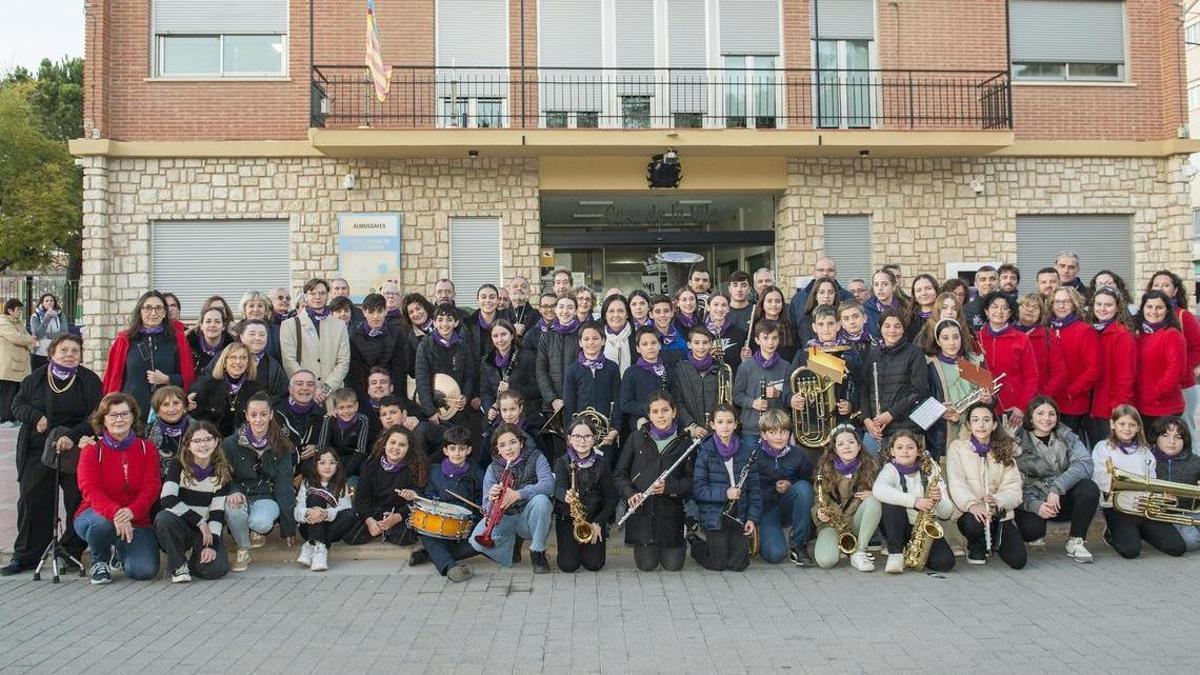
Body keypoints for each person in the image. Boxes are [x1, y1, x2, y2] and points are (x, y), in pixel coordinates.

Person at [2, 334, 102, 576]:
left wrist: (74, 436)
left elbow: (95, 415)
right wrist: (35, 417)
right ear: (52, 353)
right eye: (64, 350)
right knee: (32, 499)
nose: (69, 354)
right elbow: (16, 404)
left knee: (76, 500)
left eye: (75, 350)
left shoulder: (89, 380)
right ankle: (26, 555)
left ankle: (71, 550)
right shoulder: (34, 378)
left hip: (75, 445)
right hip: (38, 448)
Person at [73, 392, 162, 584]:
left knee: (144, 571)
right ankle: (100, 560)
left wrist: (130, 512)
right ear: (103, 419)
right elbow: (89, 489)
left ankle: (120, 551)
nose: (119, 419)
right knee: (102, 524)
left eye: (124, 414)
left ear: (133, 417)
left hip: (136, 518)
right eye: (113, 415)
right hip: (95, 515)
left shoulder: (147, 449)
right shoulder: (92, 450)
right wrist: (116, 513)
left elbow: (152, 487)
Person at [613, 391, 694, 572]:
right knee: (646, 565)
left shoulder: (685, 442)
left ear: (674, 412)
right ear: (648, 415)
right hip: (642, 513)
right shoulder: (636, 438)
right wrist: (630, 494)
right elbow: (619, 474)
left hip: (671, 513)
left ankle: (685, 535)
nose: (660, 415)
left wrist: (670, 487)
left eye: (665, 410)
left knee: (672, 566)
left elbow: (691, 482)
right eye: (655, 411)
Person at [1012, 396, 1098, 563]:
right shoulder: (1017, 441)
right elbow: (1012, 484)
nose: (1046, 418)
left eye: (1052, 414)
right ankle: (1034, 533)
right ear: (1030, 416)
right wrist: (1035, 505)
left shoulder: (1065, 435)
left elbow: (1085, 464)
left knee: (1089, 488)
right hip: (1033, 500)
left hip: (1060, 498)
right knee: (1032, 532)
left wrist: (1057, 487)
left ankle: (1076, 540)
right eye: (1040, 413)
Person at [1092, 405, 1185, 558]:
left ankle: (1137, 531)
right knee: (1130, 552)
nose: (1127, 429)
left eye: (1132, 425)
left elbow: (1152, 482)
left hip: (1143, 507)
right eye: (1122, 424)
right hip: (1118, 507)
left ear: (1138, 427)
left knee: (1177, 548)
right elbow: (1099, 478)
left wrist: (1159, 498)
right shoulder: (1103, 447)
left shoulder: (1145, 452)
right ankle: (1112, 532)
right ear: (1112, 424)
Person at [946, 402, 1027, 568]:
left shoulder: (1004, 447)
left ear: (994, 424)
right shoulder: (957, 448)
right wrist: (972, 504)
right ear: (968, 424)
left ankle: (995, 538)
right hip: (971, 512)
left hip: (998, 511)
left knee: (1018, 560)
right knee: (974, 524)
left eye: (986, 420)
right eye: (975, 420)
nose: (981, 425)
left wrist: (997, 500)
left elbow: (1013, 488)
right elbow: (957, 483)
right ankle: (976, 545)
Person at [223, 393, 297, 572]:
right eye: (254, 414)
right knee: (233, 510)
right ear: (246, 415)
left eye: (263, 414)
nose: (258, 419)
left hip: (265, 495)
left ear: (271, 415)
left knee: (261, 523)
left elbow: (284, 484)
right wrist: (232, 490)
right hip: (239, 493)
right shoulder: (230, 443)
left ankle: (253, 529)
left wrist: (288, 527)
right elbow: (224, 474)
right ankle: (243, 547)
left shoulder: (282, 445)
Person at [468, 423, 554, 573]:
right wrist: (493, 500)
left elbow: (548, 485)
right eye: (502, 445)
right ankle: (509, 549)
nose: (508, 448)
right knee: (476, 541)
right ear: (498, 450)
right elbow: (486, 508)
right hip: (506, 518)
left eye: (513, 442)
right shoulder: (492, 468)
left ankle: (538, 551)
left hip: (528, 518)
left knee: (542, 501)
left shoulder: (536, 457)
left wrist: (518, 494)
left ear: (521, 443)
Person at [154, 422, 231, 582]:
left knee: (215, 570)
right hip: (180, 526)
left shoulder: (222, 472)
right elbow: (167, 499)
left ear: (216, 442)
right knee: (163, 518)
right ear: (188, 445)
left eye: (208, 439)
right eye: (197, 441)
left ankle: (194, 560)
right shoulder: (178, 465)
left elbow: (217, 514)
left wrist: (211, 546)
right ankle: (178, 565)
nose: (203, 445)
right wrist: (200, 522)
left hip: (204, 533)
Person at [688, 404, 761, 572]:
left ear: (736, 424)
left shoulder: (747, 452)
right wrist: (725, 493)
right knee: (719, 564)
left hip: (738, 514)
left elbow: (755, 489)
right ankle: (696, 543)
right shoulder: (705, 452)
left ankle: (724, 546)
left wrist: (752, 519)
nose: (725, 426)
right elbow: (698, 490)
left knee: (738, 565)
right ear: (712, 425)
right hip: (715, 514)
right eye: (720, 422)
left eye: (729, 422)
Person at [101, 291, 196, 419]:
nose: (153, 312)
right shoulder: (125, 340)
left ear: (164, 312)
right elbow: (114, 378)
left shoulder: (177, 339)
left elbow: (187, 377)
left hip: (167, 411)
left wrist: (168, 379)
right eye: (148, 308)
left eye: (158, 308)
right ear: (140, 311)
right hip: (131, 411)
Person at [872, 430, 955, 574]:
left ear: (918, 451)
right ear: (892, 452)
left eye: (910, 447)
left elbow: (946, 513)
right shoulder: (890, 470)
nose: (905, 451)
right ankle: (895, 554)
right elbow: (878, 490)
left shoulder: (931, 470)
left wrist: (938, 501)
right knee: (891, 502)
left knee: (945, 563)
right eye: (899, 447)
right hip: (898, 527)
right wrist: (914, 501)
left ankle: (912, 554)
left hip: (922, 529)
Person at [408, 426, 481, 582]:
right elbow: (429, 496)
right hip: (441, 524)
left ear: (468, 450)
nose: (457, 453)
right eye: (453, 448)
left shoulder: (476, 473)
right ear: (445, 450)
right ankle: (451, 568)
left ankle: (430, 554)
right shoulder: (434, 471)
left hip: (466, 527)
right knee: (427, 534)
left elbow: (481, 501)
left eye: (462, 449)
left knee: (480, 544)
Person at [812, 425, 881, 571]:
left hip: (856, 523)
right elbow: (819, 499)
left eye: (851, 442)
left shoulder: (871, 467)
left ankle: (859, 551)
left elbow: (888, 492)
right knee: (826, 561)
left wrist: (876, 493)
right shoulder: (824, 470)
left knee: (873, 502)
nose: (847, 447)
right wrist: (819, 513)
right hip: (832, 523)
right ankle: (843, 548)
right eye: (841, 444)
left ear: (859, 446)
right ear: (835, 449)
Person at [553, 417, 618, 573]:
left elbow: (612, 498)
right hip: (569, 519)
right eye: (577, 436)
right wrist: (565, 495)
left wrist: (598, 522)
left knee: (594, 565)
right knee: (568, 566)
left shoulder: (602, 463)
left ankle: (585, 549)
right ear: (569, 438)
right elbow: (558, 488)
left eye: (587, 436)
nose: (582, 441)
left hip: (593, 519)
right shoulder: (562, 462)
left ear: (594, 438)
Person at [753, 409, 816, 567]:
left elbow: (809, 480)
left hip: (788, 505)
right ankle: (766, 533)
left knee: (803, 488)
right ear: (763, 435)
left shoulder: (798, 454)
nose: (779, 436)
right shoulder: (753, 454)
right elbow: (749, 487)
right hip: (766, 508)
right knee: (775, 555)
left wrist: (790, 485)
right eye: (773, 432)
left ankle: (798, 544)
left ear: (789, 433)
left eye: (783, 432)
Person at [858, 311, 928, 450]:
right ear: (880, 328)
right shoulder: (873, 354)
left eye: (897, 326)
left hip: (905, 428)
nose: (892, 330)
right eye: (887, 326)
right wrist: (866, 419)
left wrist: (891, 414)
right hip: (875, 429)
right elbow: (865, 387)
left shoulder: (914, 353)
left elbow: (919, 390)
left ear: (903, 329)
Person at [1148, 270, 1200, 454]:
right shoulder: (1149, 317)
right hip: (1158, 388)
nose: (1161, 288)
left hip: (1183, 385)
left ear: (1175, 290)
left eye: (1166, 285)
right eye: (1156, 285)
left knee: (1183, 432)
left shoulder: (1182, 316)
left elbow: (1197, 346)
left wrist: (1185, 369)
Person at [280, 278, 351, 405]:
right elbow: (289, 360)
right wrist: (309, 387)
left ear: (328, 295)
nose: (317, 297)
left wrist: (326, 389)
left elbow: (343, 361)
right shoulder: (289, 325)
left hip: (333, 395)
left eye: (322, 293)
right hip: (303, 394)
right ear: (306, 296)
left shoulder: (339, 325)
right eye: (313, 293)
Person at [353, 426, 426, 548]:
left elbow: (420, 500)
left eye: (402, 445)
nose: (396, 448)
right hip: (375, 512)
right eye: (392, 442)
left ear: (408, 449)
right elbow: (361, 500)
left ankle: (387, 530)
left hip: (400, 514)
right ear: (384, 444)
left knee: (404, 537)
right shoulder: (370, 465)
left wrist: (398, 516)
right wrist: (370, 521)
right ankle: (381, 530)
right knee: (352, 536)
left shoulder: (415, 468)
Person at [1046, 287, 1100, 442]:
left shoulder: (1085, 330)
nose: (1061, 305)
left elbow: (1093, 369)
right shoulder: (1048, 329)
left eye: (1066, 301)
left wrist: (1071, 392)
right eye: (1057, 302)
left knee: (1068, 446)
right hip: (1049, 400)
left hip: (1072, 402)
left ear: (1075, 304)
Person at [976, 292, 1038, 425]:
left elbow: (1032, 376)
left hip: (1011, 408)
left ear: (1010, 314)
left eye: (1005, 308)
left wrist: (1021, 406)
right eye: (994, 307)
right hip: (982, 406)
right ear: (986, 311)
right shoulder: (976, 338)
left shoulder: (1021, 339)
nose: (999, 311)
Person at [414, 304, 479, 430]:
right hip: (435, 407)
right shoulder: (425, 346)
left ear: (456, 323)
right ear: (434, 323)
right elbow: (422, 381)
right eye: (440, 320)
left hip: (457, 408)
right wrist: (430, 412)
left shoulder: (463, 346)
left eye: (449, 320)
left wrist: (465, 396)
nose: (445, 324)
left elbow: (469, 375)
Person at [561, 323, 622, 454]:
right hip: (580, 434)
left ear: (603, 340)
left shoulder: (612, 368)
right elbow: (569, 404)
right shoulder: (572, 370)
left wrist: (615, 429)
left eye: (595, 338)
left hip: (606, 433)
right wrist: (570, 433)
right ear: (580, 342)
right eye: (586, 339)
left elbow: (617, 399)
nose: (591, 342)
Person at [293, 449, 355, 572]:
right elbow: (297, 512)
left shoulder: (341, 484)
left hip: (332, 528)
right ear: (315, 465)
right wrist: (309, 512)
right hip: (308, 527)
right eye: (322, 463)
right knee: (316, 497)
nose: (327, 467)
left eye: (332, 463)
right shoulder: (307, 483)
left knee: (350, 514)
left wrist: (326, 513)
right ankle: (320, 550)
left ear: (337, 465)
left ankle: (312, 544)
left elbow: (345, 507)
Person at [1087, 288, 1136, 444]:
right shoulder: (1093, 330)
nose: (1102, 309)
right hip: (1092, 407)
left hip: (1109, 408)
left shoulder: (1122, 335)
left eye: (1108, 305)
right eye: (1098, 304)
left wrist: (1118, 411)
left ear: (1117, 307)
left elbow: (1126, 377)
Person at [1133, 290, 1186, 432]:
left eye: (1159, 307)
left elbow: (1176, 371)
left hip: (1164, 406)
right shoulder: (1139, 334)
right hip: (1140, 406)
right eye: (1149, 307)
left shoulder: (1172, 334)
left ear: (1167, 310)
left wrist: (1155, 393)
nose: (1153, 312)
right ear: (1143, 308)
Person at [733, 320, 791, 445]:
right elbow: (737, 396)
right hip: (752, 429)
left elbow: (790, 397)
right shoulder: (746, 367)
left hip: (778, 429)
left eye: (774, 338)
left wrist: (778, 394)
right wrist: (753, 403)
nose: (770, 342)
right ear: (757, 340)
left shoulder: (786, 366)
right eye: (765, 338)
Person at [348, 293, 409, 407]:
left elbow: (399, 370)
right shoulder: (354, 338)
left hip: (391, 392)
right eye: (371, 312)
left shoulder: (397, 334)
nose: (376, 316)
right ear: (364, 312)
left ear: (386, 311)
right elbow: (355, 375)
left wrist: (398, 400)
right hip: (366, 394)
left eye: (380, 311)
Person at [188, 343, 262, 437]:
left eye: (243, 358)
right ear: (224, 362)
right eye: (233, 357)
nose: (238, 362)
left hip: (242, 440)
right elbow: (196, 419)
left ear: (248, 363)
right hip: (212, 439)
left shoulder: (255, 388)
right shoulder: (208, 386)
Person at [1149, 416, 1200, 551]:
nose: (1172, 441)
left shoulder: (1195, 461)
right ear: (1156, 438)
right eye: (1165, 435)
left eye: (1178, 437)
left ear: (1184, 440)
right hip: (1163, 515)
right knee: (1191, 542)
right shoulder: (1146, 459)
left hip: (1191, 511)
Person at [480, 319, 540, 425]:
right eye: (495, 336)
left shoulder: (527, 357)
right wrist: (489, 408)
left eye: (504, 334)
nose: (500, 339)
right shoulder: (486, 361)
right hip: (500, 416)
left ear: (512, 335)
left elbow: (536, 389)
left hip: (524, 416)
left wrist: (511, 387)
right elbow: (485, 391)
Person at [672, 326, 724, 441]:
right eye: (696, 343)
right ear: (689, 345)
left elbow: (725, 400)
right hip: (690, 430)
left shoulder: (720, 368)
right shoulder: (680, 369)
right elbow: (677, 401)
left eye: (705, 342)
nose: (701, 347)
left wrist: (718, 423)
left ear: (711, 344)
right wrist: (692, 426)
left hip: (717, 429)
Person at [535, 295, 581, 425]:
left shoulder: (582, 334)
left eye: (570, 307)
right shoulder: (546, 336)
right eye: (561, 307)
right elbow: (541, 370)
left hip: (577, 403)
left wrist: (574, 398)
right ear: (555, 309)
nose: (565, 311)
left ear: (576, 311)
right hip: (552, 406)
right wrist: (552, 399)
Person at [621, 326, 673, 435]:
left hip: (667, 424)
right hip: (641, 426)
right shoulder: (631, 372)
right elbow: (625, 404)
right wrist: (651, 409)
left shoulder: (668, 370)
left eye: (654, 343)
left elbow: (675, 398)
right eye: (645, 344)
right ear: (638, 348)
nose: (650, 347)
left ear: (659, 345)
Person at [1013, 292, 1063, 398]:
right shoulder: (1007, 333)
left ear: (1040, 314)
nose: (1030, 310)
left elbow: (1059, 372)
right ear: (1018, 308)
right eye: (1026, 305)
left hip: (1037, 399)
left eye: (1035, 307)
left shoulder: (1048, 336)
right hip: (1010, 398)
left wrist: (1044, 396)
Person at [273, 370, 324, 470]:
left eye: (310, 384)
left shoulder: (322, 416)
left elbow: (330, 447)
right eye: (299, 384)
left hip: (309, 475)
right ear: (290, 389)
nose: (305, 388)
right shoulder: (274, 413)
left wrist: (318, 447)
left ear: (315, 390)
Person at [316, 387, 372, 478]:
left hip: (354, 458)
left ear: (356, 406)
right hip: (334, 458)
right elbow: (322, 447)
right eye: (341, 407)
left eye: (349, 406)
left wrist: (343, 475)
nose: (346, 411)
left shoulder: (362, 420)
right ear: (335, 409)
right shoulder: (329, 420)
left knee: (366, 467)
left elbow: (361, 451)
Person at [146, 385, 196, 482]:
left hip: (192, 483)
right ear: (157, 410)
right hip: (158, 484)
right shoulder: (147, 432)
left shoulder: (198, 429)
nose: (172, 409)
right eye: (165, 405)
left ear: (184, 406)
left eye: (176, 403)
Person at [234, 319, 288, 403]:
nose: (257, 338)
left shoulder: (273, 366)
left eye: (262, 335)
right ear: (241, 337)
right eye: (252, 334)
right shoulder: (227, 358)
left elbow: (282, 394)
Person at [744, 286, 796, 363]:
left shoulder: (790, 328)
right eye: (769, 301)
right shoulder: (753, 328)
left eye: (778, 301)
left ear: (782, 305)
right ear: (762, 304)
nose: (774, 304)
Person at [187, 306, 235, 378]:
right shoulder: (187, 346)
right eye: (208, 321)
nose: (212, 325)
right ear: (201, 326)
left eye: (217, 322)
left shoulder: (232, 349)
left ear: (223, 326)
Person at [704, 292, 746, 374]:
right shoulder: (700, 332)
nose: (720, 309)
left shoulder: (738, 332)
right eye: (716, 305)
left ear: (728, 309)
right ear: (708, 307)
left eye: (724, 305)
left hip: (731, 382)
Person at [238, 290, 282, 361]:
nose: (256, 310)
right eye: (251, 306)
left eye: (260, 306)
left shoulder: (278, 331)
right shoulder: (235, 331)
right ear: (244, 310)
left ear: (266, 310)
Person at [796, 278, 842, 346]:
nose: (826, 296)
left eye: (831, 292)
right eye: (822, 292)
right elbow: (807, 348)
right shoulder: (806, 321)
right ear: (815, 296)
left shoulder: (843, 317)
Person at [863, 269, 907, 339]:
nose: (880, 288)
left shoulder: (906, 307)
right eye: (876, 284)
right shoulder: (865, 310)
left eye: (885, 284)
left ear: (894, 287)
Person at [462, 284, 501, 360]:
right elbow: (463, 353)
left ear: (498, 300)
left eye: (492, 297)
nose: (487, 301)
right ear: (477, 300)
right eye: (483, 297)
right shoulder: (468, 324)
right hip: (474, 369)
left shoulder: (506, 322)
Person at [28, 293, 67, 371]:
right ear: (42, 303)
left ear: (54, 303)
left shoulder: (60, 315)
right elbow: (38, 334)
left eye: (51, 301)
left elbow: (64, 333)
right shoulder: (35, 316)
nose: (49, 302)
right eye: (46, 301)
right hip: (39, 353)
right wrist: (47, 318)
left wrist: (47, 336)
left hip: (56, 352)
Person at [599, 294, 633, 375]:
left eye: (620, 311)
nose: (616, 315)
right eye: (611, 311)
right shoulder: (597, 338)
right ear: (605, 315)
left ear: (627, 314)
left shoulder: (637, 338)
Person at [649, 294, 687, 361]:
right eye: (657, 312)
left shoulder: (682, 335)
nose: (662, 315)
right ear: (651, 315)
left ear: (672, 313)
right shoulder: (647, 338)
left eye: (666, 311)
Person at [903, 274, 940, 342]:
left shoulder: (944, 315)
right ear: (914, 296)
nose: (924, 293)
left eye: (928, 288)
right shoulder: (908, 319)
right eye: (918, 290)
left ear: (936, 291)